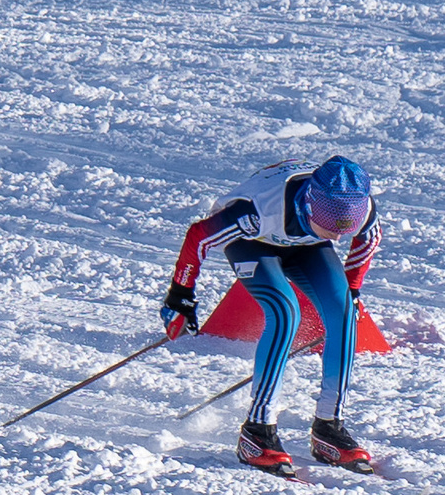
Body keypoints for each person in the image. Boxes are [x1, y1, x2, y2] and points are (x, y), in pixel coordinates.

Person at [164, 155, 382, 475]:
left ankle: (329, 426)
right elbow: (199, 236)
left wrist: (351, 288)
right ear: (309, 207)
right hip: (253, 242)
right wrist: (180, 296)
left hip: (307, 244)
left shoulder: (355, 211)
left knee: (345, 313)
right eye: (329, 228)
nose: (337, 238)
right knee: (284, 312)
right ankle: (257, 431)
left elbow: (368, 240)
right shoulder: (256, 212)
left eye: (343, 232)